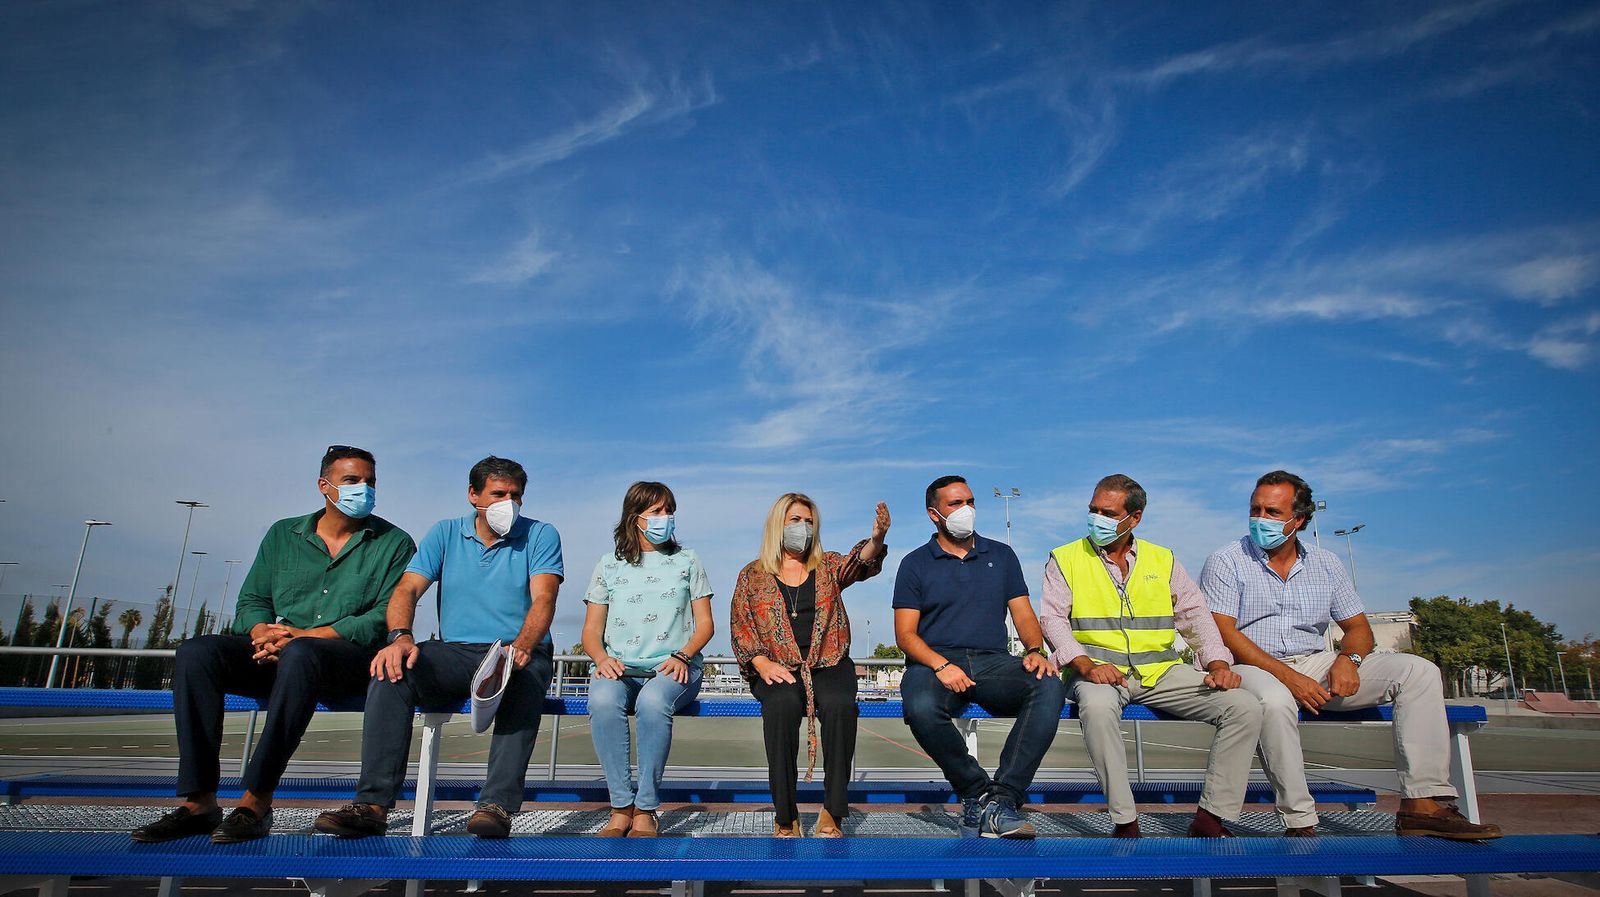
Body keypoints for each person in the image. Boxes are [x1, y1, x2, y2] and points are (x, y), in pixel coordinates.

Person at [132, 445, 415, 844]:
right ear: (325, 485)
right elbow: (252, 600)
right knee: (196, 652)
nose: (363, 489)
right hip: (281, 653)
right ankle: (200, 803)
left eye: (370, 481)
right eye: (352, 480)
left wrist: (304, 637)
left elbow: (381, 616)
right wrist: (262, 632)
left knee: (302, 654)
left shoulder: (394, 542)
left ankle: (256, 800)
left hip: (343, 661)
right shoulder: (284, 533)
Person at [1201, 470, 1500, 840]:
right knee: (1276, 702)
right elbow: (1224, 632)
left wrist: (1348, 660)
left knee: (1418, 671)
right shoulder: (1227, 560)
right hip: (1252, 666)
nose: (1260, 519)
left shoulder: (1327, 564)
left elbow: (1359, 628)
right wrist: (1288, 676)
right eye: (1255, 509)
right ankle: (1300, 821)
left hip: (1313, 662)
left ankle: (1421, 804)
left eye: (1273, 512)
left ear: (1301, 519)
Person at [314, 456, 562, 840]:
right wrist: (400, 637)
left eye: (516, 495)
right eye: (498, 494)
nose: (508, 503)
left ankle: (495, 805)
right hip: (456, 650)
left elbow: (544, 597)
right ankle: (373, 804)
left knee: (524, 679)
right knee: (392, 669)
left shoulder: (541, 534)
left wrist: (522, 646)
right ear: (473, 495)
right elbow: (408, 588)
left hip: (516, 650)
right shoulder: (445, 533)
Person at [1038, 474, 1261, 838]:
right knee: (1096, 708)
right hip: (1096, 673)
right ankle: (1125, 820)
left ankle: (1211, 817)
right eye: (1093, 510)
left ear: (1135, 518)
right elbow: (1052, 619)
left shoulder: (1164, 559)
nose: (1097, 518)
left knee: (1244, 707)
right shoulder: (1064, 559)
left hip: (1160, 671)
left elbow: (1195, 615)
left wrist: (1218, 662)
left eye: (1107, 512)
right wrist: (1086, 665)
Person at [895, 475, 1064, 839]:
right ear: (933, 514)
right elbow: (905, 635)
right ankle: (977, 791)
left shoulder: (1001, 555)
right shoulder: (914, 563)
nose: (966, 510)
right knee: (921, 707)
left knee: (1048, 684)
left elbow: (1023, 614)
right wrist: (940, 664)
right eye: (956, 504)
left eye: (970, 501)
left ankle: (1003, 799)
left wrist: (1036, 650)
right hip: (934, 662)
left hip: (993, 661)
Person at [730, 493, 889, 837]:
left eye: (809, 521)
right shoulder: (752, 576)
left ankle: (832, 811)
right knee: (783, 705)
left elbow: (858, 564)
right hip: (776, 665)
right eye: (795, 520)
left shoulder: (828, 566)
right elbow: (741, 625)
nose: (803, 527)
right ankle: (785, 816)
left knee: (839, 705)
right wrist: (761, 662)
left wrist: (876, 540)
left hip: (828, 661)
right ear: (778, 525)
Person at [581, 481, 715, 837]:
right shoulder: (608, 565)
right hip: (620, 668)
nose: (665, 518)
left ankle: (646, 809)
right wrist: (601, 658)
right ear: (634, 516)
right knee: (602, 700)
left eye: (669, 511)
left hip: (675, 667)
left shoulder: (688, 560)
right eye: (656, 511)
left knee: (654, 702)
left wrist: (682, 655)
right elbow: (591, 631)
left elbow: (705, 626)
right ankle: (621, 806)